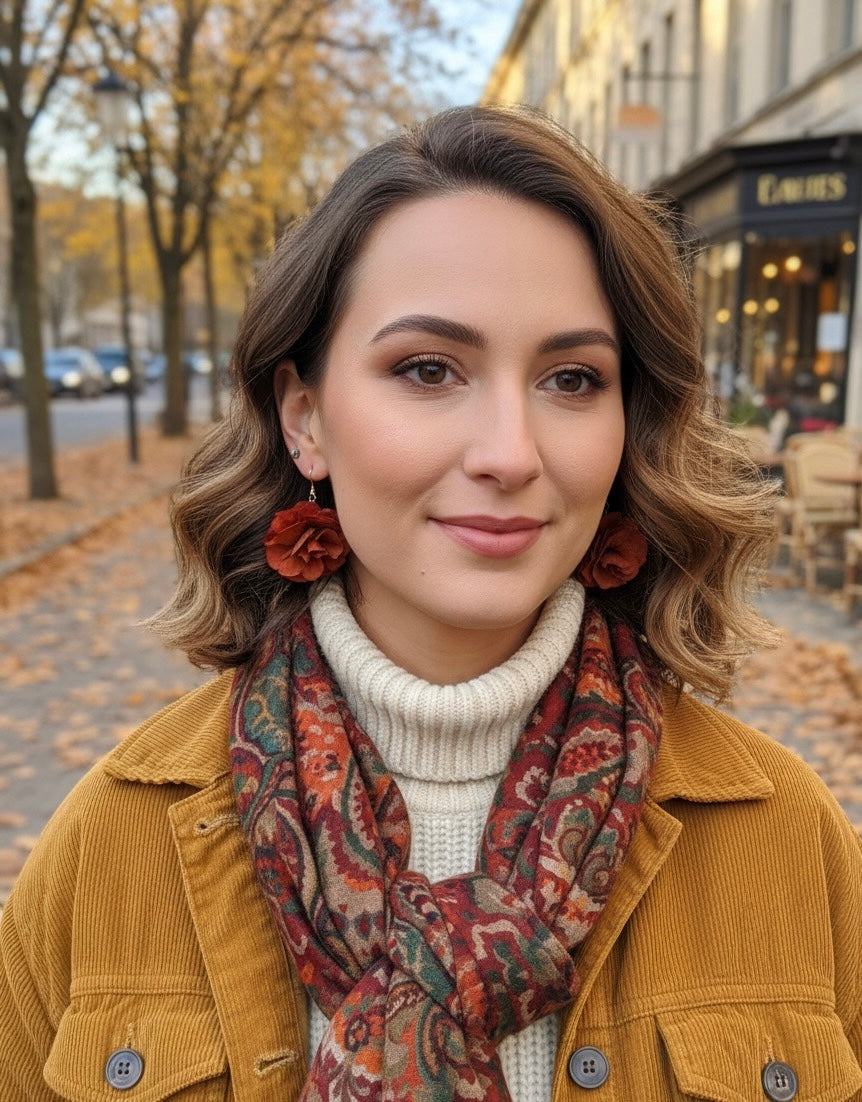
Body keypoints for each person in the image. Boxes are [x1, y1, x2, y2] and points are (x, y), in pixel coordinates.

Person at [1, 105, 860, 1102]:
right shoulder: (115, 841)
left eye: (572, 378)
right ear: (305, 417)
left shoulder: (783, 841)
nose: (509, 453)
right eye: (427, 369)